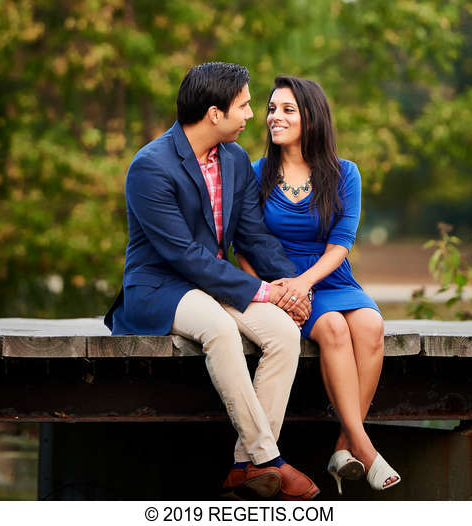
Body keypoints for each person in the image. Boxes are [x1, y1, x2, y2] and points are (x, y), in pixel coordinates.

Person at [104, 62, 319, 500]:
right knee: (219, 330)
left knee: (281, 331)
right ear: (215, 113)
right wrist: (264, 291)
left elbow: (253, 237)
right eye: (243, 105)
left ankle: (244, 465)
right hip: (160, 288)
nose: (251, 115)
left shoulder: (235, 160)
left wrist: (293, 286)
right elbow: (183, 255)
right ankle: (270, 459)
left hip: (213, 286)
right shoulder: (150, 166)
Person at [235, 75, 401, 494]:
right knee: (332, 329)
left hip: (329, 278)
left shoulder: (345, 173)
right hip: (281, 290)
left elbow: (341, 244)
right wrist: (270, 295)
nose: (274, 117)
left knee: (369, 326)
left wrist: (304, 283)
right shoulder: (255, 175)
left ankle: (345, 446)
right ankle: (364, 447)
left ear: (312, 118)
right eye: (271, 109)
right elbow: (245, 246)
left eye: (287, 109)